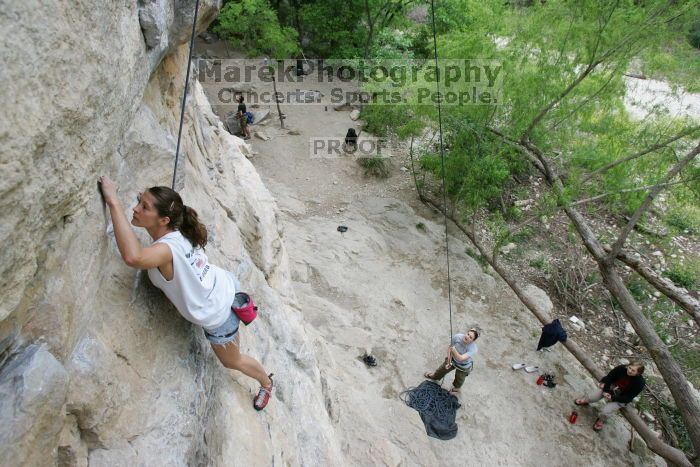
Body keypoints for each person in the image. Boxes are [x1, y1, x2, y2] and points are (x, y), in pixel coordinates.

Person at [97, 176, 273, 411]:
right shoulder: (178, 228)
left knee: (232, 360)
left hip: (219, 314)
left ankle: (267, 383)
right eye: (140, 201)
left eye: (144, 207)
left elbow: (133, 257)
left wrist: (113, 201)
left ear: (164, 220)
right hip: (222, 284)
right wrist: (149, 201)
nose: (135, 208)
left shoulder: (165, 250)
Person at [575, 362, 645, 431]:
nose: (629, 371)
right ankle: (586, 400)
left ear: (638, 373)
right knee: (592, 397)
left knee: (605, 412)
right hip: (611, 387)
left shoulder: (640, 383)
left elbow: (628, 398)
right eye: (629, 368)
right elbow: (609, 377)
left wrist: (612, 397)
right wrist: (606, 390)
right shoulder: (622, 368)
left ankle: (601, 420)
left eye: (633, 370)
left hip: (621, 397)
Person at [424, 328, 479, 395]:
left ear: (473, 341)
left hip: (464, 366)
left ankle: (456, 388)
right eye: (468, 334)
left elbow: (461, 358)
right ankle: (435, 376)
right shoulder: (457, 337)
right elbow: (449, 348)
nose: (467, 337)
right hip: (453, 359)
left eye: (470, 337)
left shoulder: (473, 349)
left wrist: (454, 350)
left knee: (460, 378)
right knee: (442, 369)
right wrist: (449, 361)